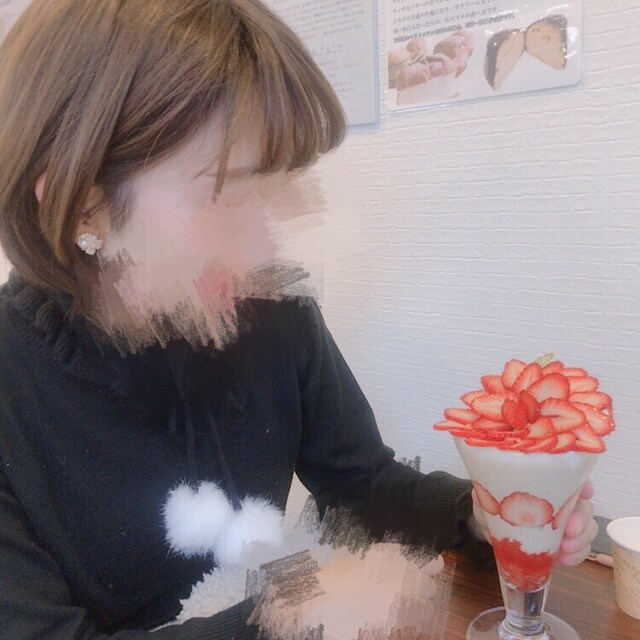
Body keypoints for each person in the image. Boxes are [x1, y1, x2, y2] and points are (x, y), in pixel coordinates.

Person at [0, 1, 598, 639]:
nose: (265, 249)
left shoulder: (269, 312)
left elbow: (361, 485)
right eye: (225, 194)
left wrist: (483, 514)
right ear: (82, 205)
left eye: (272, 189)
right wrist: (294, 610)